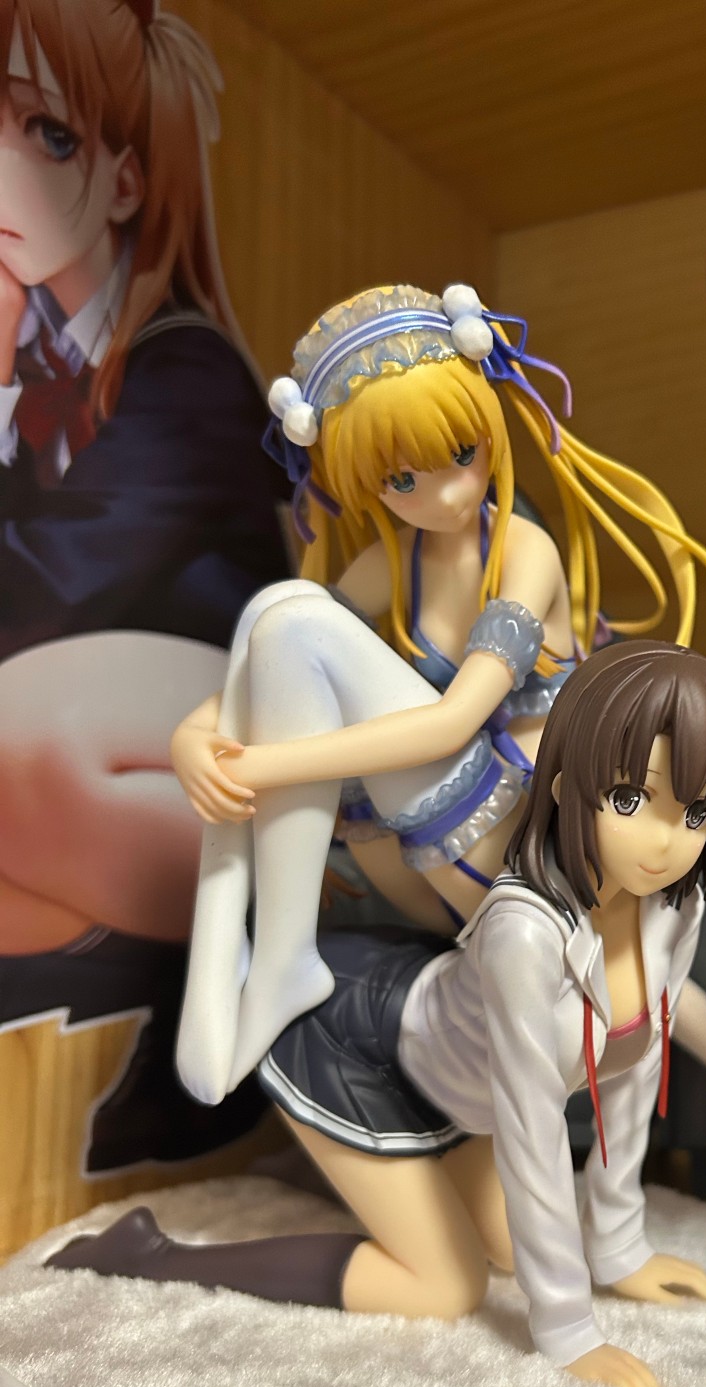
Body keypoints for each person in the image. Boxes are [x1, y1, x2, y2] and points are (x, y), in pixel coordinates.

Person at [170, 283, 706, 1171]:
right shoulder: (394, 565)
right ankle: (276, 955)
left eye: (460, 455)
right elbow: (276, 656)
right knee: (285, 615)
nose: (440, 493)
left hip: (538, 822)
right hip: (442, 841)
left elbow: (455, 720)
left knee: (637, 974)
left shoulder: (524, 553)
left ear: (490, 431)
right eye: (401, 480)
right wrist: (194, 739)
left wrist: (267, 765)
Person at [50, 641, 706, 1387]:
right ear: (566, 785)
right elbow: (531, 1129)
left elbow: (638, 1067)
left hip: (454, 1089)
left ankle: (368, 1177)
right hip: (352, 1042)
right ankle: (153, 1255)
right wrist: (570, 1332)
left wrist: (620, 1250)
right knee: (446, 1287)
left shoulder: (674, 910)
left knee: (515, 1253)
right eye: (630, 799)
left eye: (695, 812)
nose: (665, 841)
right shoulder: (525, 932)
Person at [0, 0, 289, 1164]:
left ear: (123, 179)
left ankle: (282, 946)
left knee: (27, 742)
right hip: (114, 792)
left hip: (222, 771)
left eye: (47, 134)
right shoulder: (33, 370)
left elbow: (52, 585)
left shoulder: (186, 371)